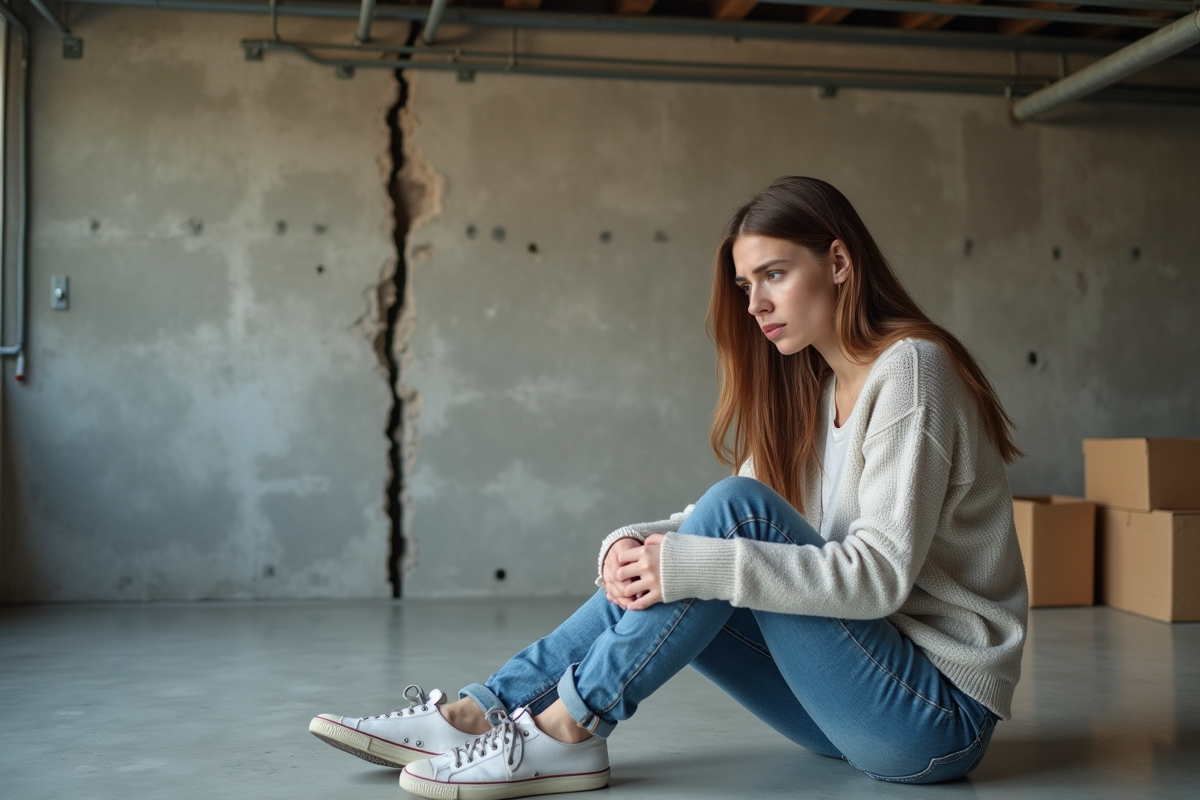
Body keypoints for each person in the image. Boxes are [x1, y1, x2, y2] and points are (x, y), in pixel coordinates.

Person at [308, 176, 1029, 799]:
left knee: (719, 531)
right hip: (843, 703)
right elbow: (712, 523)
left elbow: (876, 579)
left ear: (837, 262)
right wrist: (636, 542)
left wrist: (679, 554)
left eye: (775, 275)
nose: (755, 305)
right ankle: (479, 713)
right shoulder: (816, 389)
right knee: (695, 543)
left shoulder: (911, 371)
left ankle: (567, 727)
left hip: (933, 720)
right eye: (747, 287)